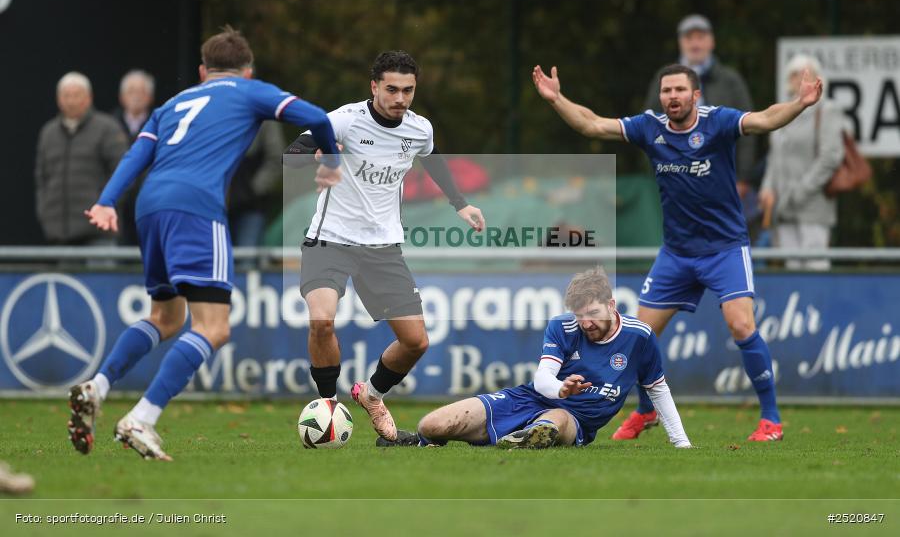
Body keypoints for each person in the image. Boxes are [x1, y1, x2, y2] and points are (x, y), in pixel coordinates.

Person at [69, 26, 341, 461]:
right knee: (213, 327)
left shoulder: (172, 103)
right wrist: (330, 160)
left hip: (149, 207)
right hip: (196, 207)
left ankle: (96, 386)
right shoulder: (250, 91)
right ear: (246, 71)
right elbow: (318, 119)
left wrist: (106, 201)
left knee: (165, 316)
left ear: (202, 71)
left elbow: (136, 154)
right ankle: (142, 417)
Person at [533, 61, 823, 442]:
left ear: (695, 95)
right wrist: (557, 99)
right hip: (677, 254)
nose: (672, 97)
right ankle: (646, 410)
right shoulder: (650, 127)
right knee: (636, 335)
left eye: (680, 90)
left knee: (741, 325)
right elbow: (592, 124)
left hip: (724, 249)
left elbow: (765, 120)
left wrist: (800, 103)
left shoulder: (717, 122)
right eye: (667, 91)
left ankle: (771, 420)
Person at [284, 51, 485, 442]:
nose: (400, 98)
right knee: (322, 320)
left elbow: (434, 160)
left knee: (416, 341)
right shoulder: (343, 120)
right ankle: (328, 408)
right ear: (374, 87)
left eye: (408, 90)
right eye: (391, 89)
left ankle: (372, 396)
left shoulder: (418, 129)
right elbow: (292, 157)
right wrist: (318, 158)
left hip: (383, 247)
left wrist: (460, 204)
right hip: (331, 240)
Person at [384, 268, 691, 449]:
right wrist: (560, 389)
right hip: (531, 398)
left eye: (593, 313)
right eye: (580, 314)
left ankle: (527, 437)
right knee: (434, 424)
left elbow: (657, 388)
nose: (586, 323)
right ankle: (424, 442)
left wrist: (682, 444)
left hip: (577, 420)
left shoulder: (640, 336)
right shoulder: (563, 326)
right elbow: (544, 377)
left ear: (612, 305)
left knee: (553, 423)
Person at [643, 15, 758, 200]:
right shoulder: (664, 78)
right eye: (689, 38)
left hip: (723, 178)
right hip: (677, 177)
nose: (695, 44)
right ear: (680, 42)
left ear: (711, 41)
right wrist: (658, 172)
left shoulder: (730, 80)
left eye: (701, 37)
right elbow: (649, 127)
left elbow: (748, 129)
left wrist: (743, 177)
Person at [759, 54, 844, 270]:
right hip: (783, 210)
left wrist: (799, 192)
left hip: (813, 209)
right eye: (795, 74)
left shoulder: (828, 110)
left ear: (818, 79)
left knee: (816, 270)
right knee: (792, 272)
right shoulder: (783, 111)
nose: (800, 78)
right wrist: (767, 188)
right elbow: (774, 157)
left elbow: (831, 157)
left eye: (806, 73)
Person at [35, 72, 128, 245]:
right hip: (59, 234)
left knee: (102, 273)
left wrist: (106, 205)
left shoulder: (107, 128)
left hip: (99, 232)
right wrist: (45, 212)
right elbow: (41, 178)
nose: (71, 101)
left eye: (76, 95)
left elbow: (124, 173)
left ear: (89, 97)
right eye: (66, 96)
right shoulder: (48, 133)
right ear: (58, 99)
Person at [111, 69, 156, 246]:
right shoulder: (108, 126)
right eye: (131, 91)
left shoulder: (162, 124)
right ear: (121, 97)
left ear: (150, 97)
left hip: (150, 204)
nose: (136, 96)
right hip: (118, 206)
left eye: (142, 91)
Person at [228, 120, 285, 246]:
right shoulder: (215, 111)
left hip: (251, 205)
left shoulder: (263, 116)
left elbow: (276, 158)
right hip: (215, 204)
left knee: (247, 259)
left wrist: (254, 189)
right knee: (216, 257)